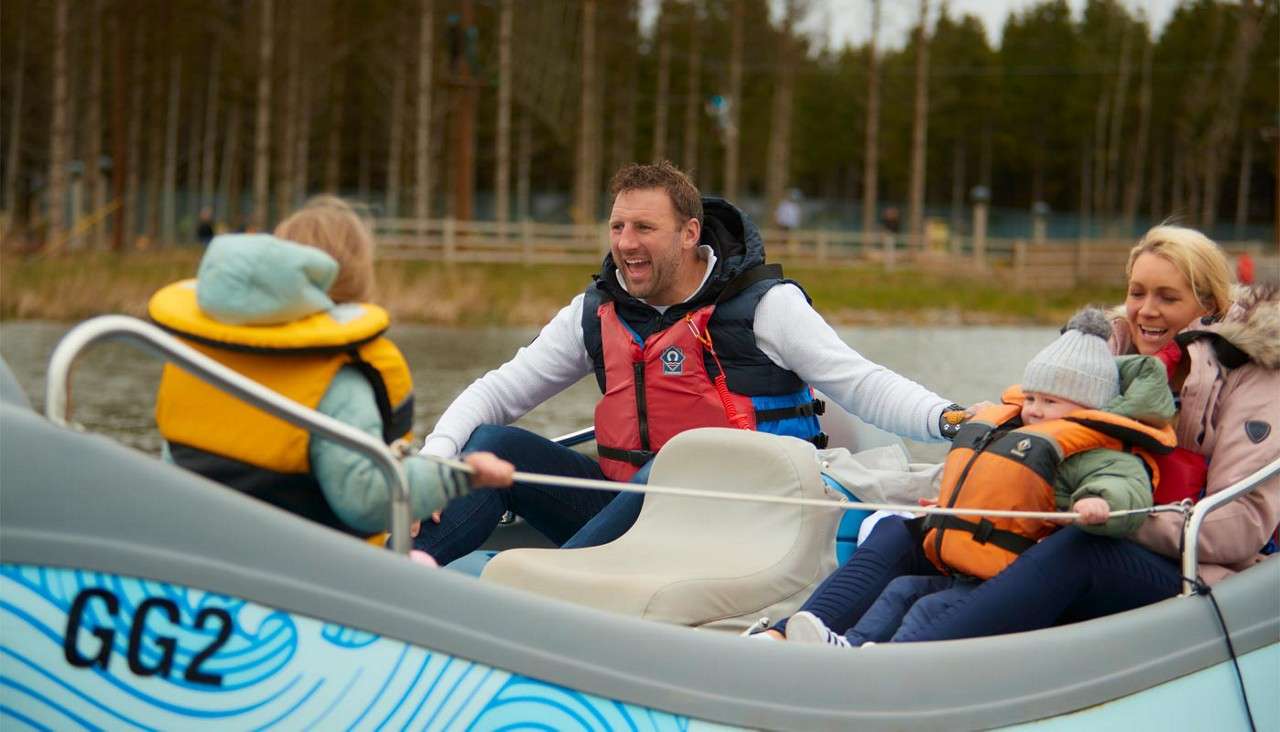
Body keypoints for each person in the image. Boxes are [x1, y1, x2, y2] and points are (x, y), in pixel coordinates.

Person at [415, 161, 966, 566]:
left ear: (689, 234)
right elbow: (496, 392)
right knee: (493, 443)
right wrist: (435, 462)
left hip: (736, 523)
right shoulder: (595, 312)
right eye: (617, 227)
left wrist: (952, 421)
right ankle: (400, 573)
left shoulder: (767, 308)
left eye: (644, 229)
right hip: (622, 516)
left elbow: (862, 383)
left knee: (680, 460)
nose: (625, 244)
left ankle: (552, 585)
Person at [870, 224, 1279, 643]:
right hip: (1068, 530)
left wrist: (1103, 514)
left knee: (1078, 549)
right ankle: (811, 640)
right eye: (1137, 293)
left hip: (1189, 570)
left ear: (1208, 305)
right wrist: (975, 494)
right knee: (910, 530)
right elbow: (1032, 444)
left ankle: (907, 661)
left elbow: (1238, 526)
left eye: (1168, 297)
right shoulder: (1103, 353)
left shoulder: (1254, 379)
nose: (1146, 310)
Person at [756, 308, 1175, 646]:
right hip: (973, 551)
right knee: (901, 581)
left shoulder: (1096, 448)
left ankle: (883, 667)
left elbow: (1125, 485)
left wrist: (1101, 504)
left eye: (1049, 401)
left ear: (1084, 408)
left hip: (1015, 561)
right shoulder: (1024, 427)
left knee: (924, 609)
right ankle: (826, 639)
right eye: (1031, 398)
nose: (1034, 410)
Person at [149, 195, 514, 542]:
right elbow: (368, 501)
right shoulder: (338, 383)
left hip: (196, 554)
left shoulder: (199, 358)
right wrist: (457, 477)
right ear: (355, 281)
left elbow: (174, 464)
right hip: (301, 573)